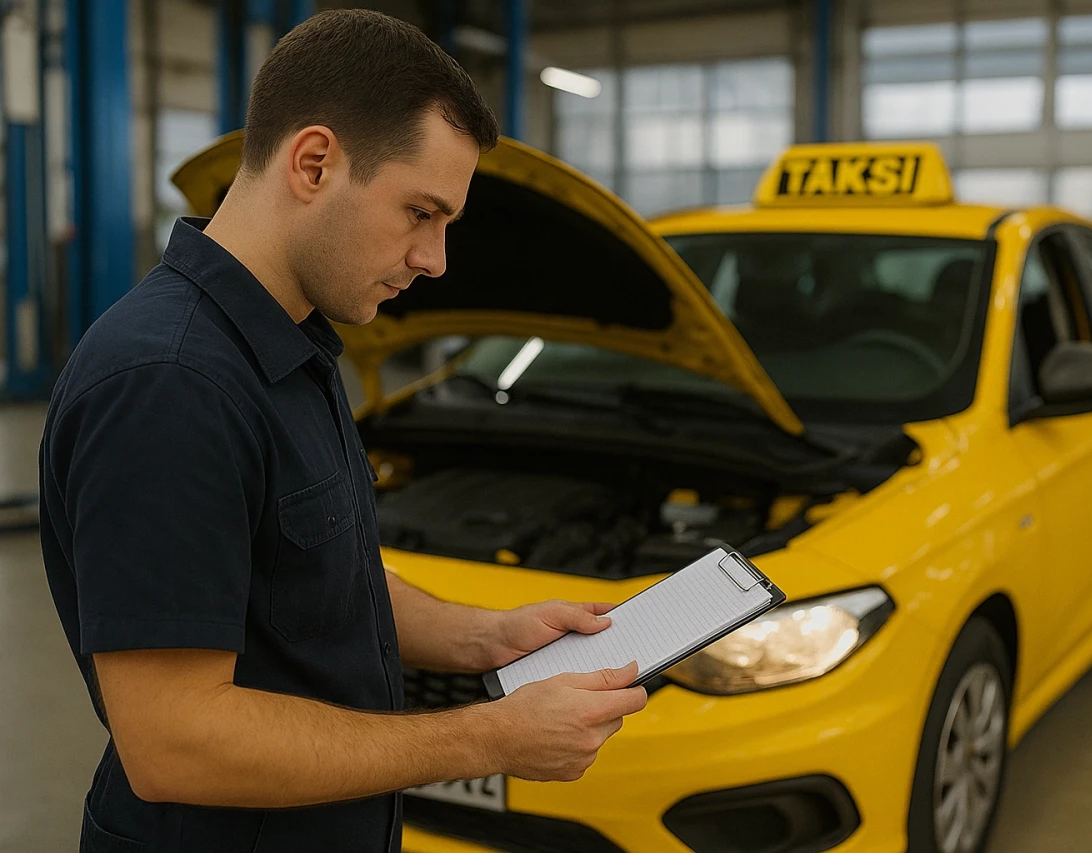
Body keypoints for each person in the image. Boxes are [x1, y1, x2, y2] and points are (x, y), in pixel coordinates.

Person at [39, 10, 646, 853]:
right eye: (419, 212)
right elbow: (175, 742)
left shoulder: (290, 343)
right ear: (315, 162)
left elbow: (311, 571)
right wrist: (488, 737)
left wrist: (485, 635)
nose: (435, 259)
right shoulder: (171, 384)